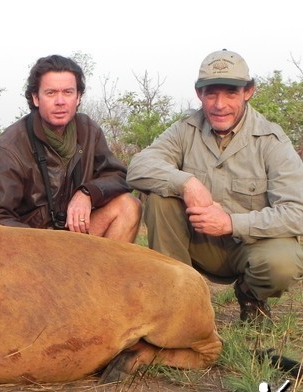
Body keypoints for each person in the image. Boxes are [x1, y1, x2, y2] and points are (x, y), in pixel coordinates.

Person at [127, 49, 303, 323]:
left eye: (230, 93)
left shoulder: (272, 140)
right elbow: (138, 167)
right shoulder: (184, 130)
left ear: (248, 92)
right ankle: (177, 301)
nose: (219, 104)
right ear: (199, 94)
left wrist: (231, 223)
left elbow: (297, 212)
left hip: (249, 245)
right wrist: (187, 183)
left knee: (283, 263)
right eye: (211, 93)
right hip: (195, 242)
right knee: (159, 196)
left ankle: (250, 295)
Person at [0, 55, 141, 242]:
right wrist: (45, 242)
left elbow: (118, 176)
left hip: (75, 234)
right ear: (36, 98)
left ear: (78, 97)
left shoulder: (88, 130)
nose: (60, 101)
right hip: (31, 245)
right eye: (51, 93)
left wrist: (87, 193)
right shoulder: (8, 148)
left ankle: (104, 271)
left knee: (129, 206)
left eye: (68, 92)